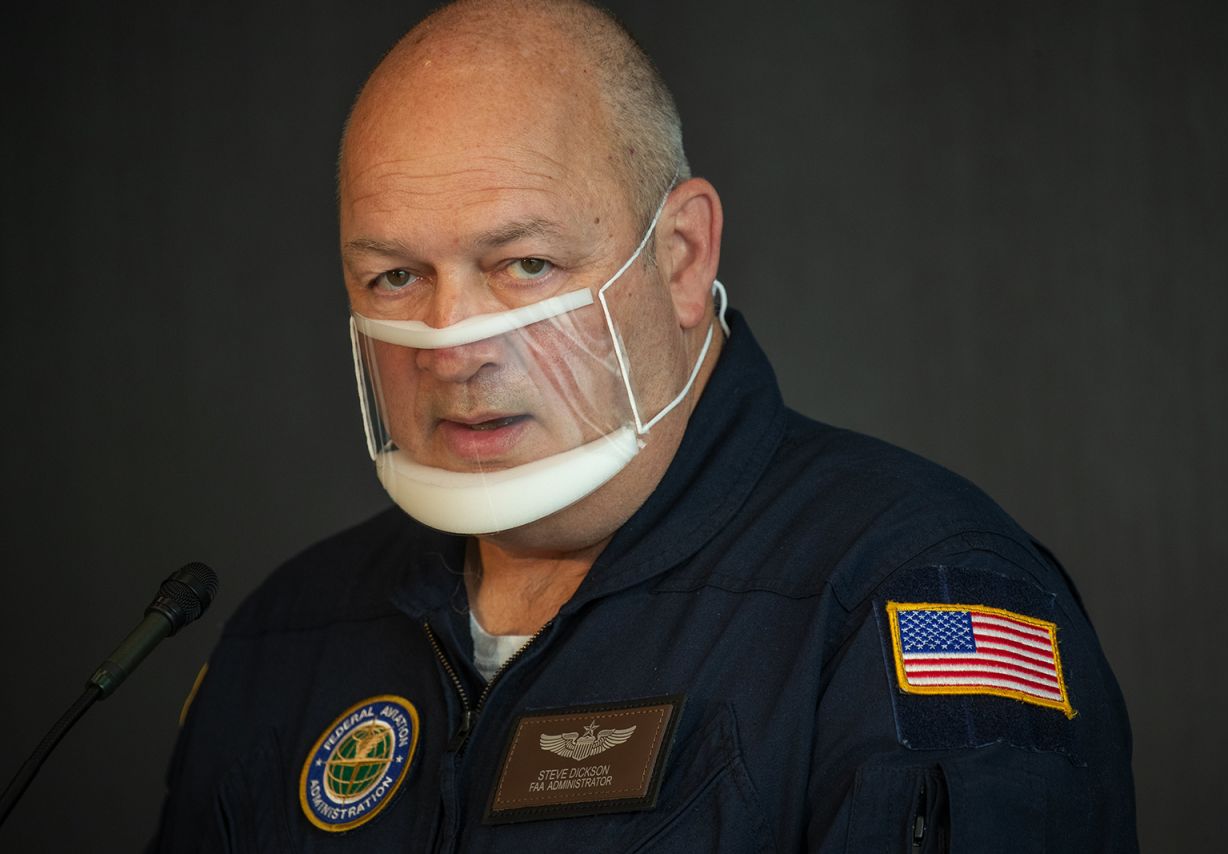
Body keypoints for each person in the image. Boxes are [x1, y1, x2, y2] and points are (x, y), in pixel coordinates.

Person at [155, 1, 1138, 850]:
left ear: (678, 256)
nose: (451, 344)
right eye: (395, 277)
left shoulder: (902, 593)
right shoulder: (290, 635)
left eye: (524, 263)